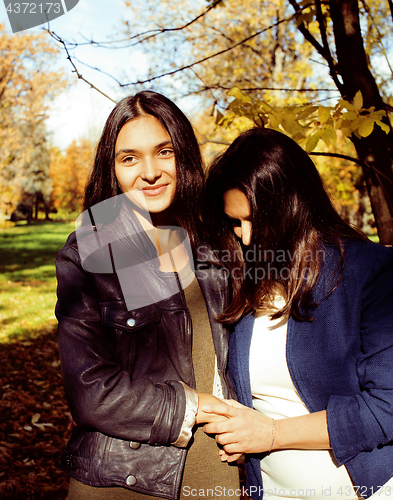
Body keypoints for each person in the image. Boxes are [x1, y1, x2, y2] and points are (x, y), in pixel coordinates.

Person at [55, 91, 240, 500]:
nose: (151, 172)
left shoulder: (218, 247)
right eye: (130, 158)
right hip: (126, 480)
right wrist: (195, 406)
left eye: (164, 151)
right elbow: (91, 391)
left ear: (185, 155)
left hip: (220, 476)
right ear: (113, 168)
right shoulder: (91, 253)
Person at [201, 127, 393, 500]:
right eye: (235, 222)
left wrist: (270, 433)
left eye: (254, 220)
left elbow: (388, 407)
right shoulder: (246, 279)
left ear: (294, 206)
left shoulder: (370, 272)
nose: (245, 238)